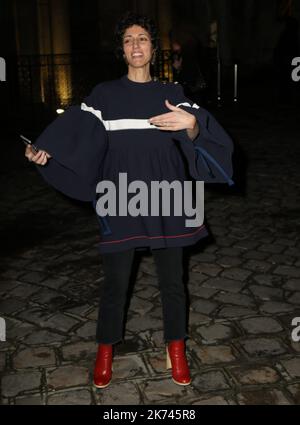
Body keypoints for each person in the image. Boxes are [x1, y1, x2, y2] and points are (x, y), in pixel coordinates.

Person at [25, 12, 234, 389]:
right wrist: (46, 151)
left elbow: (204, 137)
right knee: (115, 282)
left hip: (168, 197)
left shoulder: (171, 95)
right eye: (127, 40)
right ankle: (105, 350)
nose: (135, 45)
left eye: (142, 39)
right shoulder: (105, 95)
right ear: (122, 50)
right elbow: (75, 132)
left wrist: (192, 126)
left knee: (173, 281)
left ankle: (176, 349)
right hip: (119, 197)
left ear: (154, 49)